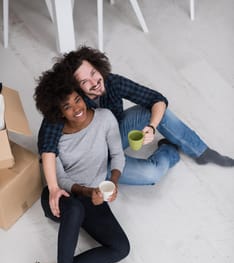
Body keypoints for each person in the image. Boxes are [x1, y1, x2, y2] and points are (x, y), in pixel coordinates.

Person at [38, 45, 234, 217]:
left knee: (155, 112)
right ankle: (169, 150)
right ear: (75, 89)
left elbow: (157, 99)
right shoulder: (70, 106)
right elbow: (47, 148)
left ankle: (201, 152)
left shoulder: (110, 81)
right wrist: (54, 188)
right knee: (152, 175)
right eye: (84, 82)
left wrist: (151, 127)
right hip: (92, 163)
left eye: (92, 72)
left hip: (113, 137)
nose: (94, 81)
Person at [30, 66, 130, 263]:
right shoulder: (54, 138)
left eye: (77, 99)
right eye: (67, 106)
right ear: (57, 111)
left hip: (94, 196)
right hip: (62, 198)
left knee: (120, 248)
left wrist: (114, 181)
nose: (76, 108)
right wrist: (87, 191)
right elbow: (61, 179)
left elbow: (117, 155)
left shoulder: (105, 118)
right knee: (74, 207)